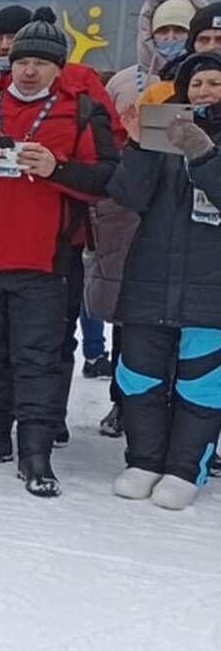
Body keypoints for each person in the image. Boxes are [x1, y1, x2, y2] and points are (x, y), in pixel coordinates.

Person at [0, 9, 118, 497]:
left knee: (37, 358)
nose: (29, 70)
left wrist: (59, 168)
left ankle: (35, 450)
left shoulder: (79, 110)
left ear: (60, 68)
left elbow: (107, 182)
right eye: (22, 61)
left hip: (43, 259)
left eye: (41, 62)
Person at [106, 52, 221, 510]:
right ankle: (145, 460)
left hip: (210, 289)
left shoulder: (201, 143)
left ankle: (184, 469)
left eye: (214, 83)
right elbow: (128, 196)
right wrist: (138, 146)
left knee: (201, 385)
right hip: (150, 282)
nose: (203, 92)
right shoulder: (162, 133)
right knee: (139, 379)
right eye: (195, 85)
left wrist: (204, 153)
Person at [106, 0, 207, 110]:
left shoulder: (213, 77)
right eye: (162, 31)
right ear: (149, 35)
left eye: (180, 30)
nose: (170, 37)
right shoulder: (120, 82)